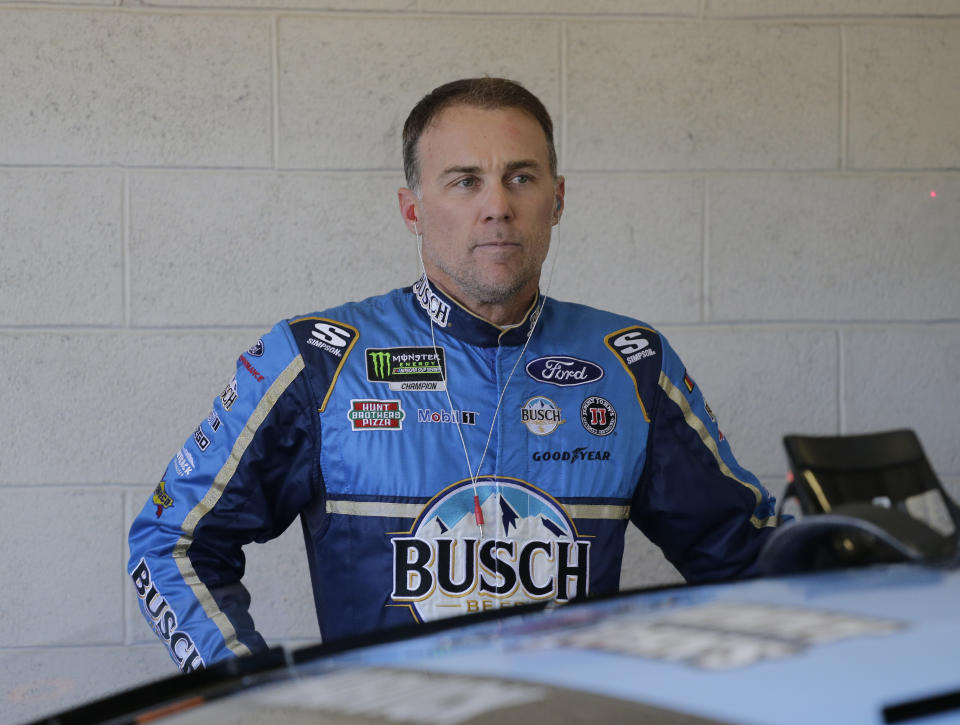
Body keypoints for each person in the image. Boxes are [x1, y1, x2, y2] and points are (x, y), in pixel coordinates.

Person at [128, 77, 779, 672]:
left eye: (521, 178)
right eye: (465, 180)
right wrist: (249, 695)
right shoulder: (321, 360)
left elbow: (749, 559)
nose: (497, 206)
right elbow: (171, 539)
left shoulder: (628, 363)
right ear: (412, 209)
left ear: (557, 199)